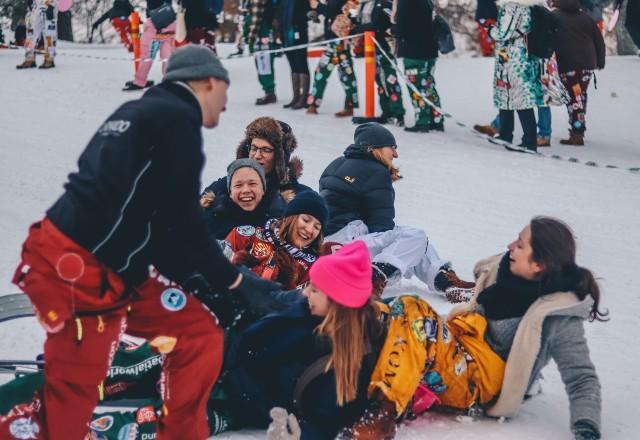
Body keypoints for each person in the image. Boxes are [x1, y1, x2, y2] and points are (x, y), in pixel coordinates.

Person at [0, 46, 275, 440]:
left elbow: (157, 226)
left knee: (197, 332)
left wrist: (202, 287)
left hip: (111, 269)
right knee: (69, 406)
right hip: (80, 272)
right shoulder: (176, 119)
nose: (226, 104)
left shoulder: (136, 113)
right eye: (225, 92)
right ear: (208, 82)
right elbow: (181, 222)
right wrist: (235, 283)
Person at [239, 216, 605, 440]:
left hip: (481, 378)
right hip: (457, 345)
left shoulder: (556, 312)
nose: (510, 245)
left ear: (540, 264)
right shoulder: (503, 272)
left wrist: (586, 428)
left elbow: (582, 377)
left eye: (521, 244)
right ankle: (280, 325)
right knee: (376, 310)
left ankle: (380, 416)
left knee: (412, 309)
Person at [319, 122, 474, 303]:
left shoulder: (335, 164)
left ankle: (447, 282)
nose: (395, 154)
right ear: (374, 148)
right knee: (415, 237)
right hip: (347, 246)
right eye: (391, 147)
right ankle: (374, 279)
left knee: (408, 244)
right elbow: (382, 226)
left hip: (328, 242)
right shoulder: (376, 171)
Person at [222, 190, 330, 290]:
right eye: (306, 220)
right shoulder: (247, 235)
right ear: (290, 217)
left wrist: (288, 283)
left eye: (317, 227)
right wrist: (236, 267)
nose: (310, 229)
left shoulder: (312, 269)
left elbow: (301, 307)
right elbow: (213, 268)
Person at [201, 116, 312, 206]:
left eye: (266, 150)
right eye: (254, 148)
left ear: (281, 157)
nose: (257, 155)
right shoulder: (223, 188)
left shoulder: (299, 196)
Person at [491, 0, 544, 151]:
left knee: (519, 98)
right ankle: (505, 134)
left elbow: (503, 32)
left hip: (514, 58)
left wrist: (490, 29)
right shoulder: (526, 6)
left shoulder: (512, 6)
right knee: (505, 94)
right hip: (511, 56)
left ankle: (529, 141)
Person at [552, 0, 606, 146]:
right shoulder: (586, 18)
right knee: (579, 96)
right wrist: (600, 61)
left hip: (568, 65)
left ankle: (577, 133)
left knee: (574, 99)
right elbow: (599, 41)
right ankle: (578, 128)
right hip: (587, 66)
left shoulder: (554, 16)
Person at [351, 0, 405, 126]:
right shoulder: (364, 4)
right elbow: (359, 23)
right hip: (371, 48)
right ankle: (386, 112)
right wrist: (352, 20)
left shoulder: (385, 3)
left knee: (390, 80)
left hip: (385, 48)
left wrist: (358, 29)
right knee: (379, 81)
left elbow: (377, 25)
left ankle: (398, 113)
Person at [202, 158, 286, 239]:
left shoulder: (282, 220)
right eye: (238, 185)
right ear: (230, 192)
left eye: (252, 183)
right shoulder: (212, 219)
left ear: (263, 190)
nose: (245, 190)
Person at [394, 0, 444, 132]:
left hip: (414, 52)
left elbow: (401, 28)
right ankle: (436, 119)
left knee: (415, 86)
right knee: (428, 84)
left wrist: (393, 28)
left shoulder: (405, 2)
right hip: (431, 49)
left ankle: (422, 120)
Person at [306, 0, 361, 117]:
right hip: (331, 43)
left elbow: (332, 11)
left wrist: (318, 6)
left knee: (347, 76)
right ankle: (313, 104)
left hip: (341, 43)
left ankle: (349, 107)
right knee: (321, 73)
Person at [122, 0, 176, 91]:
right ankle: (170, 81)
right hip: (170, 22)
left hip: (155, 24)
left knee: (147, 55)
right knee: (167, 56)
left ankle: (139, 82)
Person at [244, 0, 280, 105]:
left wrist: (249, 37)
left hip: (263, 36)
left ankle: (270, 93)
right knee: (261, 67)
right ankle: (268, 91)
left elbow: (255, 20)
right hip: (258, 37)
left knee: (265, 67)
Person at [279, 0, 311, 109]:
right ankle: (295, 97)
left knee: (301, 64)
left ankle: (303, 98)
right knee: (293, 66)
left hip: (299, 34)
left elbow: (307, 13)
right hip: (286, 36)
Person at [16, 0, 58, 69]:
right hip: (35, 5)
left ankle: (49, 58)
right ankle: (29, 58)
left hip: (48, 4)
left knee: (49, 33)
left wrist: (52, 5)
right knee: (31, 33)